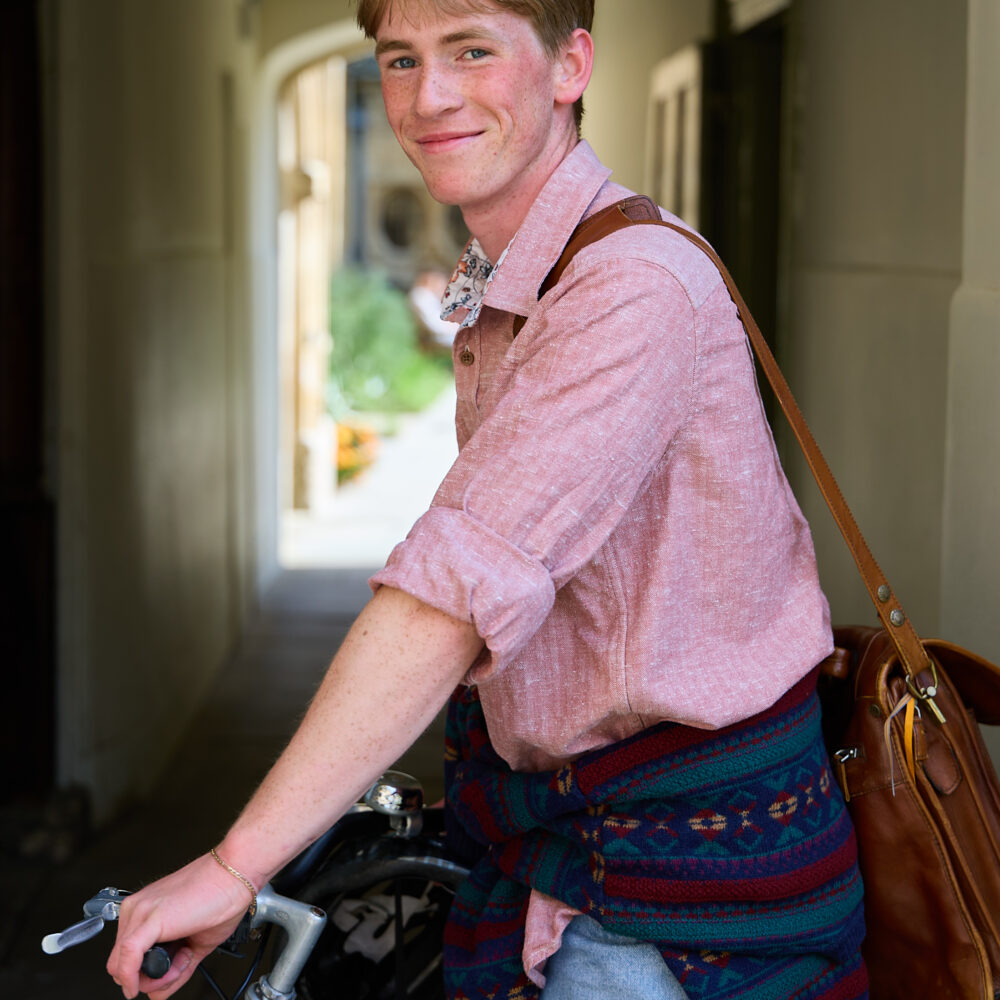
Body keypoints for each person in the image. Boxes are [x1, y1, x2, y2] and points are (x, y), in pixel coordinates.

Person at [107, 2, 868, 998]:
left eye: (471, 50)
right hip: (575, 845)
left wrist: (234, 863)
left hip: (675, 904)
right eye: (400, 59)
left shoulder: (628, 288)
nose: (429, 96)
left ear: (568, 66)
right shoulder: (528, 273)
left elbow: (453, 593)